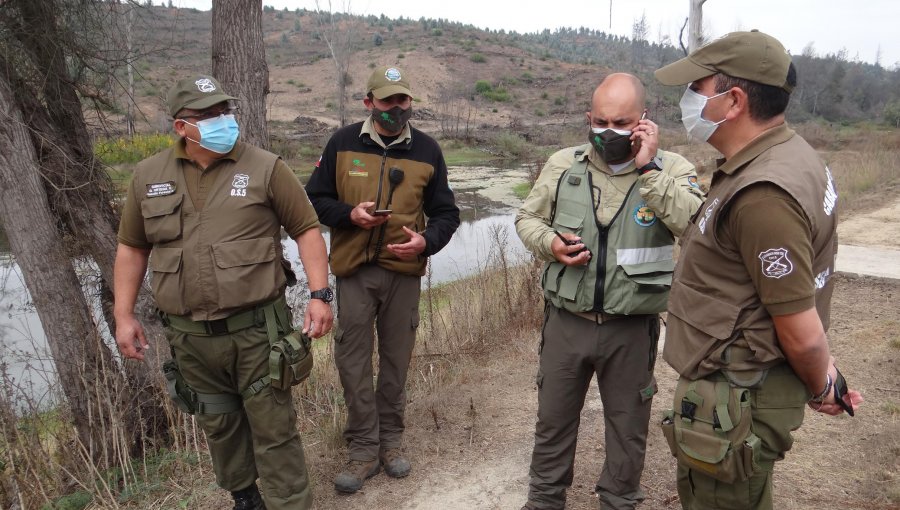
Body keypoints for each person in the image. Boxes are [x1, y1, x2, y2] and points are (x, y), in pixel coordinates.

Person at [653, 30, 863, 509]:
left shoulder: (764, 193)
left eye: (698, 89)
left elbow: (801, 329)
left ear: (734, 101)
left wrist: (822, 384)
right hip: (739, 386)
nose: (689, 100)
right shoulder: (785, 157)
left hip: (738, 394)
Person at [114, 75, 333, 510]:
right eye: (209, 114)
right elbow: (132, 248)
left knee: (274, 427)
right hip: (191, 338)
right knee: (219, 425)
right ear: (181, 127)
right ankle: (245, 498)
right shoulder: (148, 176)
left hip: (257, 334)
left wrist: (320, 295)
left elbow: (307, 230)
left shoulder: (266, 167)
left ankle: (290, 504)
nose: (222, 120)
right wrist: (123, 315)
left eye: (224, 111)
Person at [516, 73, 704, 510]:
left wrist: (649, 167)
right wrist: (551, 244)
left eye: (620, 122)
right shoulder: (564, 164)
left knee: (628, 425)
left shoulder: (673, 169)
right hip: (567, 322)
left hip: (631, 328)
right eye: (599, 121)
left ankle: (618, 501)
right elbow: (527, 220)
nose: (608, 132)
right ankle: (544, 500)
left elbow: (695, 228)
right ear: (588, 117)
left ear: (643, 120)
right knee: (554, 420)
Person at [305, 65, 460, 494]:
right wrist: (348, 215)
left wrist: (426, 242)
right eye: (387, 100)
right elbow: (315, 199)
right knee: (352, 363)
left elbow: (447, 213)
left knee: (395, 362)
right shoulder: (341, 143)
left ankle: (391, 441)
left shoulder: (428, 150)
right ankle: (362, 448)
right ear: (368, 102)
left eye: (403, 100)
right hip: (354, 273)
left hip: (403, 275)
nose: (396, 108)